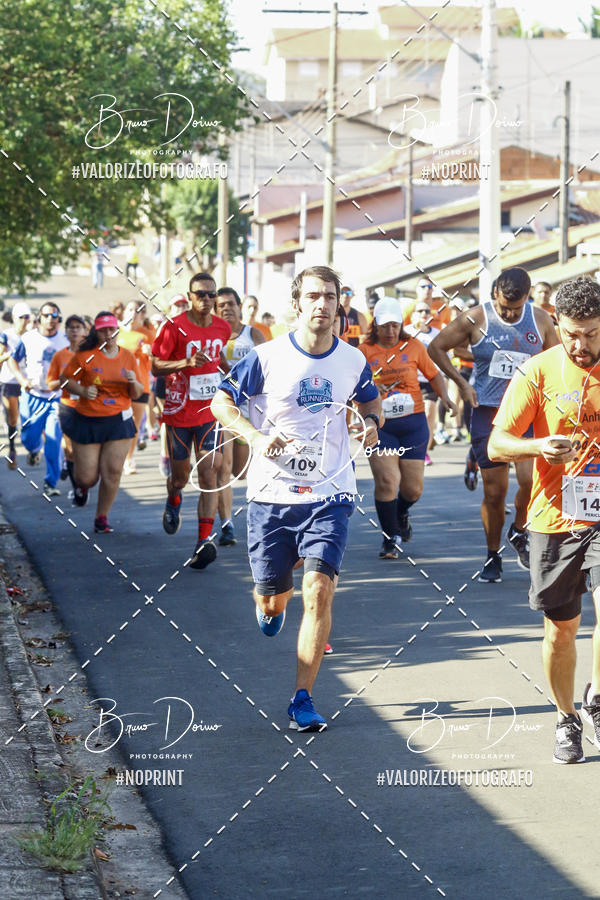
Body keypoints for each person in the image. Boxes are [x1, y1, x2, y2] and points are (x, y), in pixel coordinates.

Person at [211, 265, 381, 731]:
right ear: (296, 303)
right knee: (273, 602)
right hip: (272, 495)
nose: (322, 304)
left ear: (339, 304)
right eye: (312, 296)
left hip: (331, 491)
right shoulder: (265, 357)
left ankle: (302, 698)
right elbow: (221, 402)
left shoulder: (353, 360)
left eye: (330, 296)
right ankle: (269, 602)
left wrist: (370, 424)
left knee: (319, 590)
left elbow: (370, 402)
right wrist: (254, 435)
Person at [488, 276, 600, 764]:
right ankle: (566, 717)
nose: (581, 344)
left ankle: (598, 699)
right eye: (572, 333)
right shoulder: (537, 371)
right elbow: (497, 444)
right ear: (557, 323)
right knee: (561, 629)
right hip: (555, 516)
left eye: (592, 333)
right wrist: (538, 446)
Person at [428, 266, 559, 582]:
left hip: (528, 413)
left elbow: (558, 361)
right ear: (495, 293)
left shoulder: (540, 319)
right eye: (504, 307)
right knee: (495, 492)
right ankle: (492, 555)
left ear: (527, 297)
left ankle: (519, 530)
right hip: (487, 410)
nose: (509, 314)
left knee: (531, 483)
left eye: (516, 308)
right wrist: (461, 382)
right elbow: (436, 347)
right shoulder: (476, 317)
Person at [360, 298, 456, 558]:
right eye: (385, 326)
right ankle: (390, 538)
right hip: (380, 425)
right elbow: (351, 384)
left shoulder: (413, 346)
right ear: (375, 325)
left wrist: (446, 398)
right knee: (387, 481)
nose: (391, 331)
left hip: (413, 423)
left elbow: (434, 375)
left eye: (395, 325)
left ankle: (400, 512)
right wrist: (371, 388)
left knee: (413, 489)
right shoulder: (363, 351)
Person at [151, 273, 231, 570]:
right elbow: (155, 366)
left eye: (212, 294)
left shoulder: (222, 327)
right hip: (179, 412)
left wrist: (232, 374)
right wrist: (185, 363)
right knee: (181, 477)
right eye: (201, 294)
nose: (207, 299)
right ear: (190, 296)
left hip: (210, 412)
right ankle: (174, 497)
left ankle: (203, 541)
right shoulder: (173, 327)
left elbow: (218, 358)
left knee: (210, 474)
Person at [61, 312, 143, 532]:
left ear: (117, 330)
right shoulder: (85, 356)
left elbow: (137, 393)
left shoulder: (127, 356)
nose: (108, 334)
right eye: (103, 330)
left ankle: (101, 517)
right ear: (96, 333)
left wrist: (133, 382)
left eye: (111, 329)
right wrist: (82, 390)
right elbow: (65, 380)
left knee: (113, 471)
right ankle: (82, 487)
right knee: (86, 478)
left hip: (118, 420)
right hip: (88, 420)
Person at [215, 286, 265, 546]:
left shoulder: (252, 334)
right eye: (221, 305)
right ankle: (227, 525)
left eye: (230, 304)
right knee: (222, 467)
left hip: (249, 407)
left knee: (240, 472)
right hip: (223, 405)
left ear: (238, 306)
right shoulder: (212, 337)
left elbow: (269, 366)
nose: (226, 309)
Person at [7, 302, 69, 495]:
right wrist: (22, 379)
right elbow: (12, 360)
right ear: (39, 318)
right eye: (46, 315)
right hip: (32, 395)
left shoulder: (65, 340)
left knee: (53, 439)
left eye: (54, 316)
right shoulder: (28, 338)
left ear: (59, 319)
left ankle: (51, 482)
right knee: (28, 438)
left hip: (55, 398)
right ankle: (34, 450)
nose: (51, 319)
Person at [46, 315, 86, 495]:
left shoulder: (92, 355)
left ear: (84, 331)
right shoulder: (59, 355)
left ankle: (85, 481)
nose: (74, 330)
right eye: (71, 327)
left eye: (78, 327)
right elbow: (50, 384)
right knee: (70, 450)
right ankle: (77, 488)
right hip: (67, 406)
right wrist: (65, 381)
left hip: (89, 407)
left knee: (86, 449)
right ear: (66, 332)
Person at [118, 301, 153, 474]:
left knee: (133, 424)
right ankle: (115, 457)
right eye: (130, 309)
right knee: (117, 423)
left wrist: (150, 354)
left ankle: (129, 458)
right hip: (118, 386)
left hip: (141, 385)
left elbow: (155, 364)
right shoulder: (116, 333)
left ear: (143, 315)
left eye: (138, 311)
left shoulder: (148, 335)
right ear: (124, 312)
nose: (134, 313)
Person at [406, 301, 440, 465]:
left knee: (429, 413)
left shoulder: (437, 334)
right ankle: (409, 447)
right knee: (410, 416)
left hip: (429, 379)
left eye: (427, 311)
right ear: (413, 315)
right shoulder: (406, 332)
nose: (424, 314)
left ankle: (424, 452)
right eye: (420, 311)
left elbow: (444, 355)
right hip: (409, 380)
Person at [0, 302, 32, 469]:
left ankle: (33, 447)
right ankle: (12, 448)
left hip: (28, 381)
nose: (24, 320)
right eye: (21, 317)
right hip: (9, 380)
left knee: (29, 416)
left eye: (27, 317)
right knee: (13, 418)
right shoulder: (6, 335)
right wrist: (9, 356)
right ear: (13, 318)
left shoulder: (32, 335)